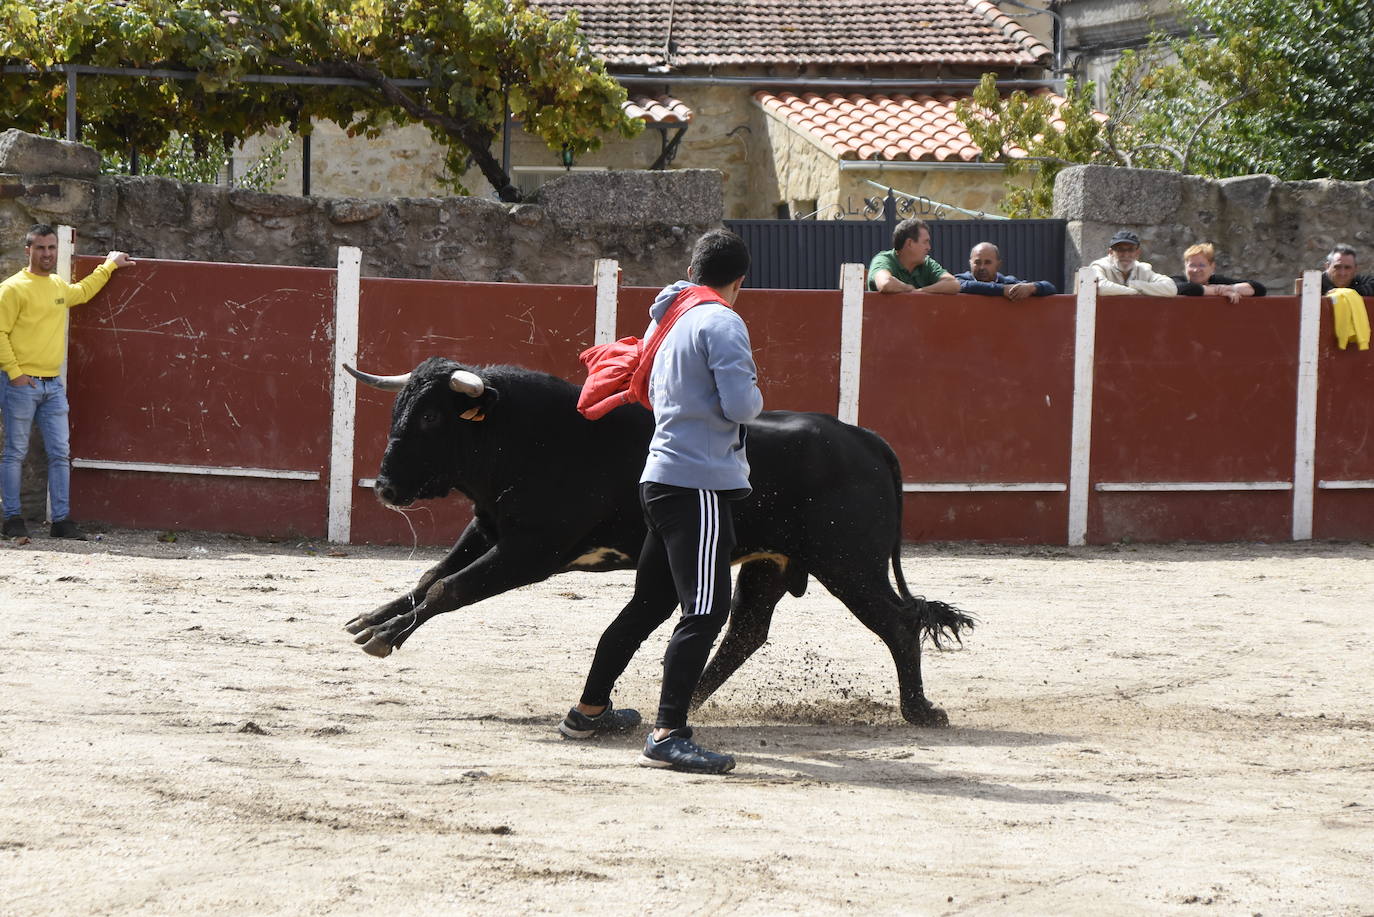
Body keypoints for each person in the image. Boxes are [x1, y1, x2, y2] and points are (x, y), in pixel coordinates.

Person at [558, 229, 763, 775]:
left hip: (659, 477)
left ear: (695, 269)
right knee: (706, 609)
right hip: (699, 484)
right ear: (739, 281)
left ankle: (588, 712)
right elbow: (743, 405)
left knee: (648, 605)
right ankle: (669, 733)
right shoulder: (722, 320)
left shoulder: (667, 316)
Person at [1, 224, 134, 539]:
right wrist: (16, 373)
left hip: (52, 387)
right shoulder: (12, 288)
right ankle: (12, 519)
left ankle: (61, 521)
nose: (47, 254)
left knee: (60, 453)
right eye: (40, 248)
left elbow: (82, 291)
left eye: (51, 248)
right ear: (28, 250)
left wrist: (109, 266)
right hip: (22, 384)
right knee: (15, 452)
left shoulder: (57, 286)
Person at [867, 218, 960, 294]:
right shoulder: (884, 260)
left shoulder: (927, 263)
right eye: (925, 242)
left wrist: (920, 292)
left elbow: (953, 284)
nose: (929, 247)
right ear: (910, 243)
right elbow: (886, 283)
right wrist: (909, 288)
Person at [954, 242, 1058, 300]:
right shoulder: (960, 280)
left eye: (987, 262)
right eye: (977, 262)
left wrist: (1032, 288)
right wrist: (1002, 290)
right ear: (970, 263)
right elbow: (962, 285)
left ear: (998, 264)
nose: (982, 267)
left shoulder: (1009, 282)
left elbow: (1050, 288)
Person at [1088, 230, 1177, 296]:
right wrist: (1133, 291)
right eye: (1120, 249)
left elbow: (1171, 288)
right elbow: (1100, 287)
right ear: (1111, 253)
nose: (1126, 254)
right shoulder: (1100, 266)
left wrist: (1135, 285)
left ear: (1137, 253)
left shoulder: (1143, 269)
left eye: (1130, 250)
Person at [1171, 242, 1267, 302]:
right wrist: (1217, 291)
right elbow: (1187, 289)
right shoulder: (1175, 281)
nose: (1196, 270)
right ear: (1185, 267)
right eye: (1192, 265)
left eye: (1201, 265)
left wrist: (1231, 288)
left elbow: (1259, 288)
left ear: (1212, 267)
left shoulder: (1217, 280)